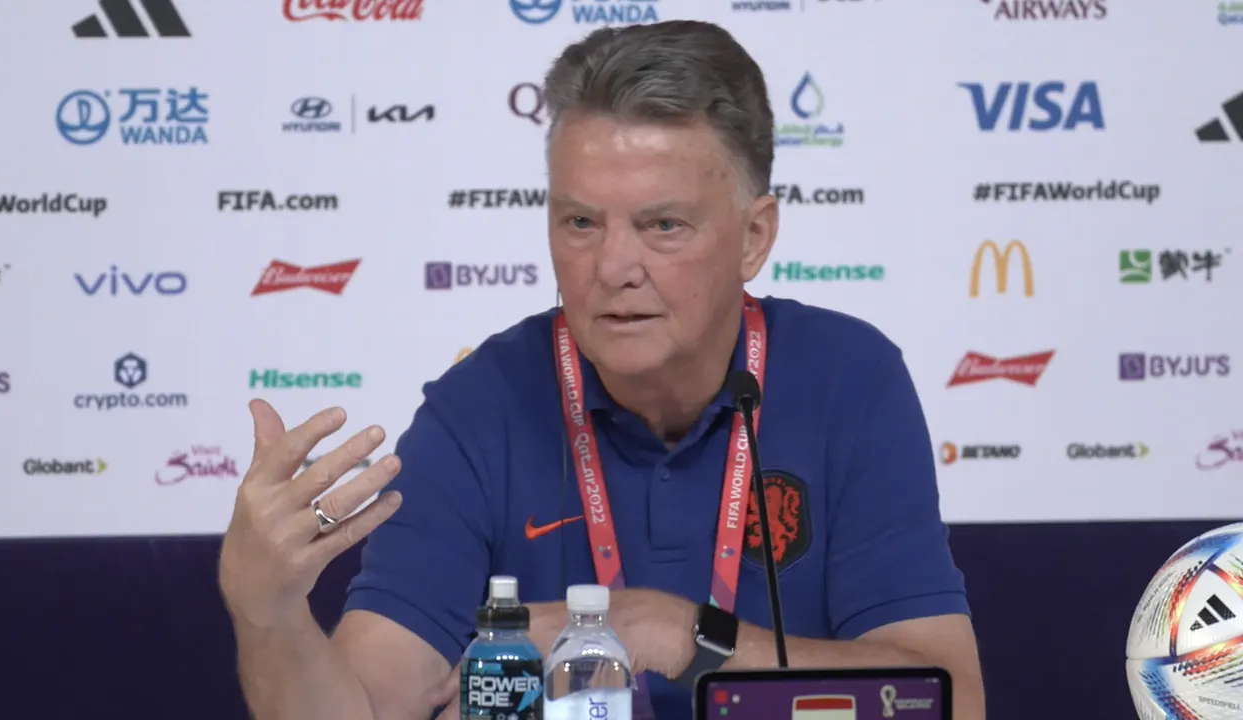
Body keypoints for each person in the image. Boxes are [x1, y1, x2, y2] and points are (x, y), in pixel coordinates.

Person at [217, 20, 985, 720]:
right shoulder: (477, 410)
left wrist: (675, 631)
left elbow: (946, 696)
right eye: (581, 222)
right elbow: (368, 708)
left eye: (663, 225)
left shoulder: (850, 381)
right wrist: (268, 614)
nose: (614, 267)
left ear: (754, 237)